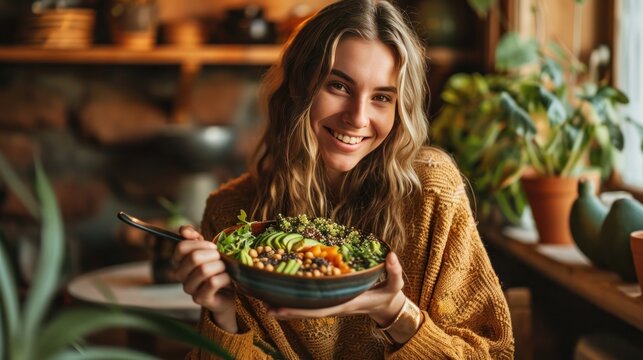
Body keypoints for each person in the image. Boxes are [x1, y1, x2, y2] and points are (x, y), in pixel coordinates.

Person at [172, 0, 514, 358]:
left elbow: (494, 353)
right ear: (298, 86)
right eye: (339, 86)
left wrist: (394, 312)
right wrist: (223, 317)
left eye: (381, 97)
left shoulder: (431, 192)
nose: (358, 118)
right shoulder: (232, 216)